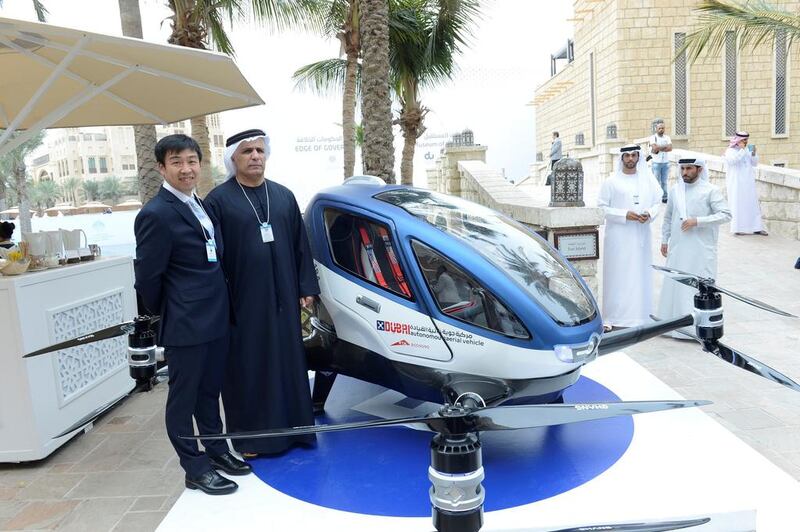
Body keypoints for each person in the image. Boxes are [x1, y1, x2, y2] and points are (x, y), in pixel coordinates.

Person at [134, 134, 251, 496]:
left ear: (200, 163)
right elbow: (148, 278)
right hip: (186, 322)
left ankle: (216, 451)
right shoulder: (155, 214)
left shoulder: (197, 203)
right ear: (161, 168)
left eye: (191, 161)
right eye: (176, 162)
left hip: (215, 317)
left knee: (208, 391)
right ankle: (194, 467)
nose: (186, 169)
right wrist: (164, 313)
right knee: (183, 399)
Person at [205, 129, 320, 458]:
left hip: (284, 296)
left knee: (288, 362)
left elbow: (301, 246)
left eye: (259, 150)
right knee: (248, 367)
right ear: (233, 159)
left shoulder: (283, 195)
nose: (255, 156)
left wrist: (305, 287)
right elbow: (215, 256)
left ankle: (297, 431)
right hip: (243, 302)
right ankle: (252, 440)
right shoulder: (219, 200)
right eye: (247, 152)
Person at [657, 158, 731, 337]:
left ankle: (697, 329)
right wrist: (664, 240)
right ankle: (674, 328)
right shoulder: (675, 191)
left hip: (701, 251)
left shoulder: (711, 191)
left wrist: (697, 221)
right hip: (678, 248)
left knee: (697, 287)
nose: (684, 172)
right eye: (682, 168)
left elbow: (726, 215)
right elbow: (668, 218)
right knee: (677, 285)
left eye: (689, 168)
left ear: (699, 169)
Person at [597, 144, 663, 330]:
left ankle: (640, 316)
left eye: (634, 155)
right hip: (618, 237)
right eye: (627, 156)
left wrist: (650, 213)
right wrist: (624, 214)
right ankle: (615, 316)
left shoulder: (648, 180)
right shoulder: (611, 181)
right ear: (621, 158)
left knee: (639, 274)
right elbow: (601, 208)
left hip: (641, 236)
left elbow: (658, 202)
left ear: (638, 157)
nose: (631, 159)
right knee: (618, 275)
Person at [724, 131, 768, 235]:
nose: (746, 142)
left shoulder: (747, 150)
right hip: (736, 183)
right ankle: (737, 228)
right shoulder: (730, 151)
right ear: (738, 140)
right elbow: (732, 161)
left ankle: (757, 227)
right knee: (737, 205)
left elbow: (754, 163)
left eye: (746, 140)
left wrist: (753, 153)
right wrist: (742, 150)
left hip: (748, 182)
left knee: (752, 204)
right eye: (744, 140)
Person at [649, 120, 672, 203]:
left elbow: (670, 148)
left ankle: (664, 197)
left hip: (665, 162)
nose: (661, 129)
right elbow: (654, 148)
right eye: (659, 128)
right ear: (656, 129)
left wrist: (659, 147)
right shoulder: (653, 138)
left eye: (662, 128)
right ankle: (655, 197)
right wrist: (665, 146)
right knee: (655, 181)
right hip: (656, 162)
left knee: (664, 182)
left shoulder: (667, 137)